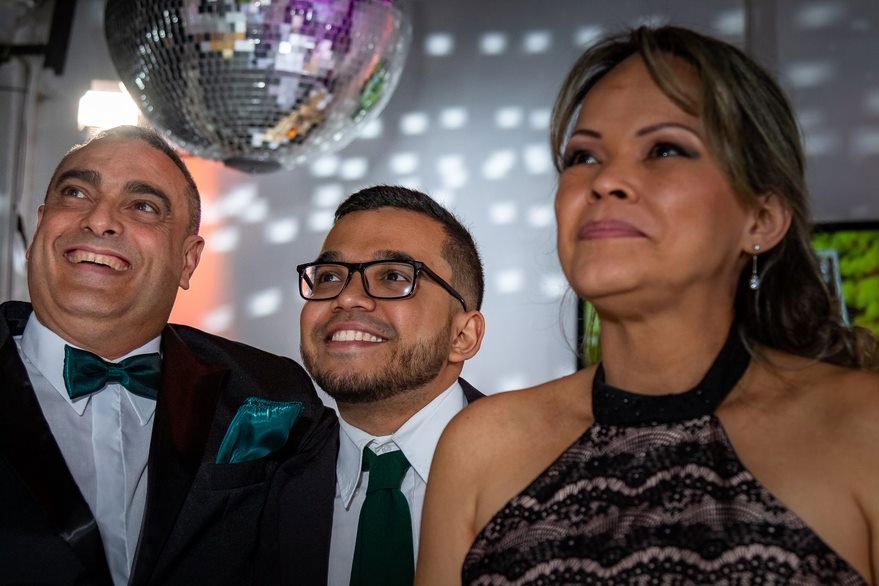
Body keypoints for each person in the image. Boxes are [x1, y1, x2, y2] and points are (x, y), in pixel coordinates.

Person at [417, 26, 879, 585]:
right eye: (584, 156)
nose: (607, 180)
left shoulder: (863, 429)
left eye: (664, 149)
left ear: (762, 219)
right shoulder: (480, 447)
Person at [0, 125, 337, 586]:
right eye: (76, 193)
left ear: (187, 260)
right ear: (41, 224)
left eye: (143, 206)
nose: (99, 220)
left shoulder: (269, 391)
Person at [297, 185, 486, 586]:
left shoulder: (544, 470)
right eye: (329, 277)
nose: (348, 298)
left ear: (463, 336)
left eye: (394, 276)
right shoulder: (268, 476)